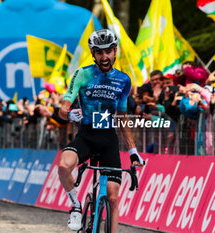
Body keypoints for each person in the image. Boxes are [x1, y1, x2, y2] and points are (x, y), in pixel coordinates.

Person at [57, 29, 145, 232]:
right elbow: (63, 109)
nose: (104, 57)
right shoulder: (82, 73)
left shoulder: (124, 80)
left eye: (108, 52)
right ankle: (76, 207)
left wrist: (132, 151)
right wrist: (69, 114)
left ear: (115, 51)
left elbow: (122, 118)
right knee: (63, 166)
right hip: (86, 136)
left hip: (108, 139)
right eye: (99, 52)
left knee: (113, 197)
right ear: (93, 53)